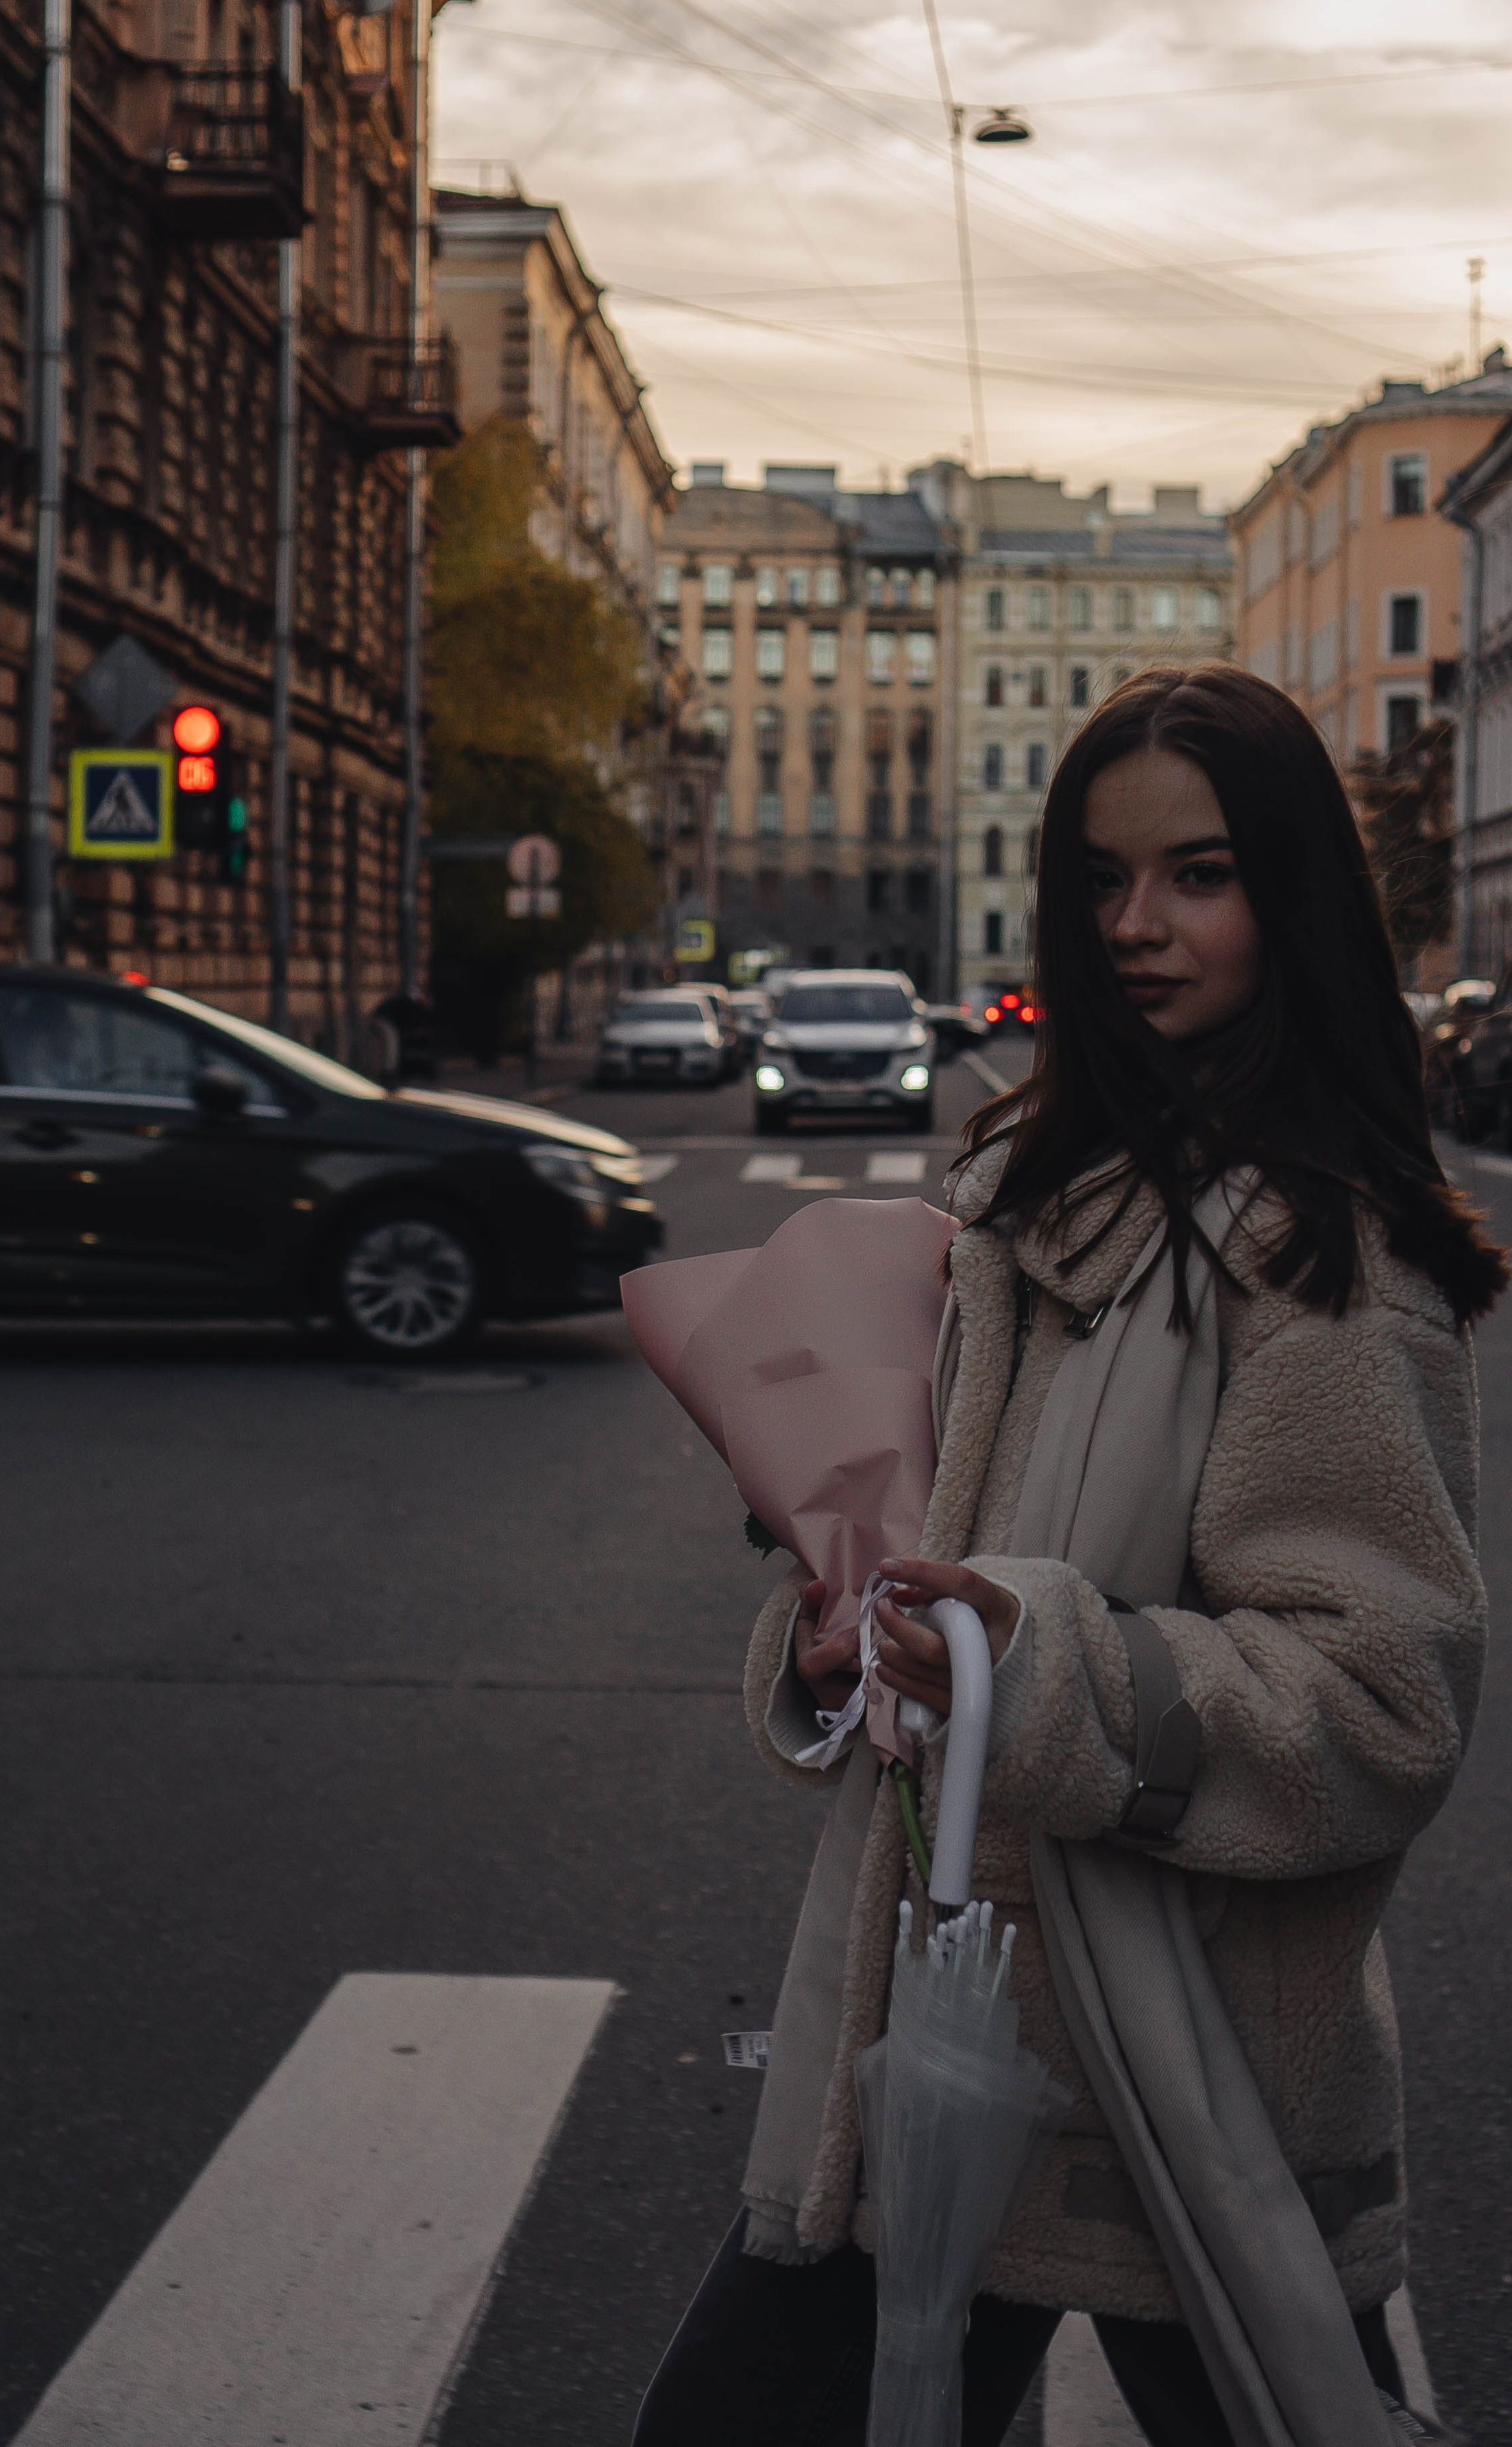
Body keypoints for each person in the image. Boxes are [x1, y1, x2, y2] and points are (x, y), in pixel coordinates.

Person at [633, 664, 1500, 2447]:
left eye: (1200, 875)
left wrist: (1029, 1666)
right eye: (1102, 881)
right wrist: (850, 1634)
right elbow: (956, 1559)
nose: (1136, 925)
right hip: (965, 2019)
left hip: (1191, 2079)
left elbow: (1380, 1702)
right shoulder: (1044, 1197)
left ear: (1297, 895)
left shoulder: (1322, 1262)